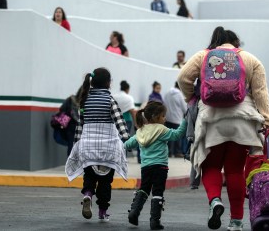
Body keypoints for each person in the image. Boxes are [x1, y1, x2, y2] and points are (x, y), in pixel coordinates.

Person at [178, 26, 269, 230]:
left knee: (211, 166)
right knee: (235, 171)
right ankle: (237, 221)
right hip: (243, 120)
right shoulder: (249, 59)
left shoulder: (203, 55)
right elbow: (260, 92)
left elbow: (183, 78)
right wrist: (268, 120)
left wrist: (192, 98)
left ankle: (215, 201)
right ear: (235, 43)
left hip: (211, 119)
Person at [65, 68, 129, 222]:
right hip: (108, 148)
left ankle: (87, 194)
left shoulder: (84, 100)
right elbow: (120, 122)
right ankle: (102, 212)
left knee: (89, 176)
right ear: (108, 83)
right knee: (106, 182)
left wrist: (76, 145)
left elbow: (80, 126)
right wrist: (127, 138)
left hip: (88, 147)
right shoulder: (110, 101)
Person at [125, 101, 187, 230]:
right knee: (157, 191)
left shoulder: (141, 131)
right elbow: (177, 134)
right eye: (163, 116)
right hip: (160, 167)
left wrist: (122, 147)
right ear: (156, 117)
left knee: (144, 188)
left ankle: (134, 212)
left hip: (146, 167)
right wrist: (185, 120)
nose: (165, 118)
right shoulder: (162, 130)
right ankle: (154, 221)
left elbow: (129, 144)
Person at [164, 82, 187, 158]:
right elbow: (184, 108)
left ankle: (169, 152)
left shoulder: (167, 93)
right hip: (177, 119)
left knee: (169, 136)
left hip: (167, 118)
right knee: (178, 136)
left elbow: (164, 104)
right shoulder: (179, 95)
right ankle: (177, 152)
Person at [59, 87, 81, 155]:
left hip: (70, 125)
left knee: (71, 144)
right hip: (81, 125)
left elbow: (62, 108)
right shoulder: (85, 101)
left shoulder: (71, 99)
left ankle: (70, 163)